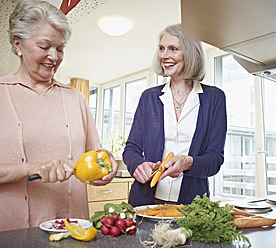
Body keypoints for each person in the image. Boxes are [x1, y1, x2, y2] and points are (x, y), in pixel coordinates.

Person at [0, 0, 118, 231]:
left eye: (60, 48)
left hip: (73, 227)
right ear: (18, 45)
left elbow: (97, 154)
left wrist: (108, 165)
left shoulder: (75, 98)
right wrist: (32, 168)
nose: (54, 57)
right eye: (44, 47)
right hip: (13, 231)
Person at [123, 24, 227, 207]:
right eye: (162, 49)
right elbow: (131, 148)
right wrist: (138, 165)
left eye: (173, 49)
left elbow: (215, 159)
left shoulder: (214, 98)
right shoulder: (149, 98)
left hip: (191, 207)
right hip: (145, 202)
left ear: (190, 53)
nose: (164, 55)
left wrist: (187, 162)